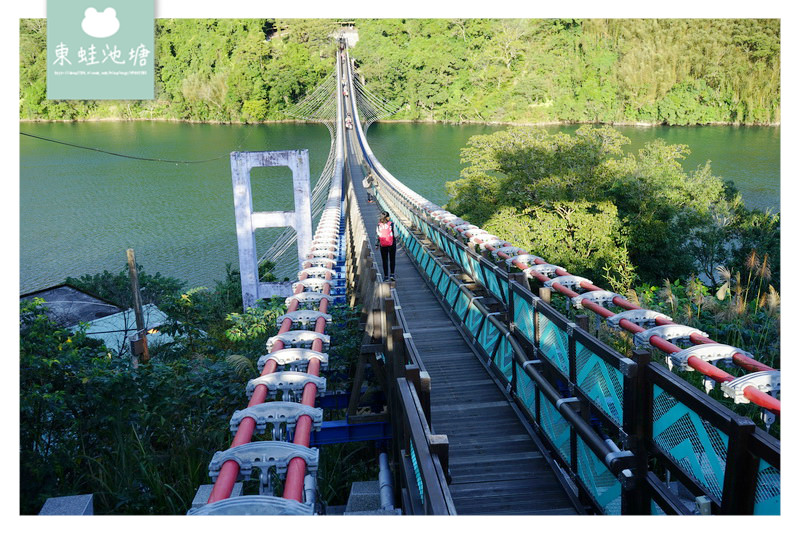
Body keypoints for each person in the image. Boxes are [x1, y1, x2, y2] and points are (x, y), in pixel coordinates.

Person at [376, 212, 396, 281]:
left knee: (385, 260)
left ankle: (386, 276)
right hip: (392, 244)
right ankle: (392, 275)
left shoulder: (379, 225)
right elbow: (396, 235)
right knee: (392, 259)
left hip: (383, 244)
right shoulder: (391, 224)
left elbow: (378, 235)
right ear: (387, 217)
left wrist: (377, 244)